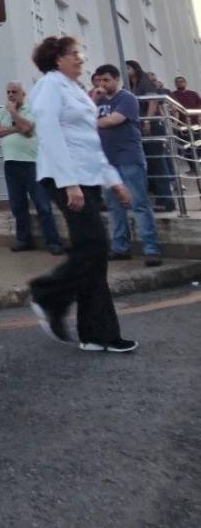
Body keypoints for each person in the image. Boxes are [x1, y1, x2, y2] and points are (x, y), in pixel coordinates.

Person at [27, 37, 137, 353]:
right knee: (94, 246)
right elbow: (49, 131)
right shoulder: (50, 85)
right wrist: (68, 182)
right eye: (75, 54)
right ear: (57, 59)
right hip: (65, 177)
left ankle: (97, 334)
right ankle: (45, 293)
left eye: (80, 53)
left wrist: (113, 180)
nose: (81, 58)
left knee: (94, 255)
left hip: (86, 177)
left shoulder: (76, 91)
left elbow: (89, 142)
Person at [92, 65, 162, 267]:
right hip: (107, 161)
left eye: (106, 80)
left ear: (116, 80)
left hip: (129, 158)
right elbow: (82, 115)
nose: (102, 84)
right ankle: (120, 248)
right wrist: (94, 101)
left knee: (139, 203)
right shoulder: (97, 101)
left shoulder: (127, 98)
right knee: (114, 207)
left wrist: (90, 120)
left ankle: (151, 249)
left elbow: (114, 120)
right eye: (99, 80)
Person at [0, 81, 64, 255]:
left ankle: (53, 241)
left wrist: (13, 113)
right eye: (8, 92)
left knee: (42, 204)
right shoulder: (2, 111)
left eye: (14, 92)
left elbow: (28, 129)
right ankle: (23, 239)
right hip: (11, 162)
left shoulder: (30, 110)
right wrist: (16, 127)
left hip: (31, 163)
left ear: (23, 94)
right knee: (17, 204)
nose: (10, 95)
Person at [127, 59, 175, 212]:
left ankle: (167, 200)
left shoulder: (144, 81)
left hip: (151, 126)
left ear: (135, 68)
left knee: (157, 161)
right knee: (147, 163)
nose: (126, 71)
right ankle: (157, 198)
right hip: (138, 127)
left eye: (128, 68)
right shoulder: (130, 85)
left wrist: (147, 120)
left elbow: (152, 102)